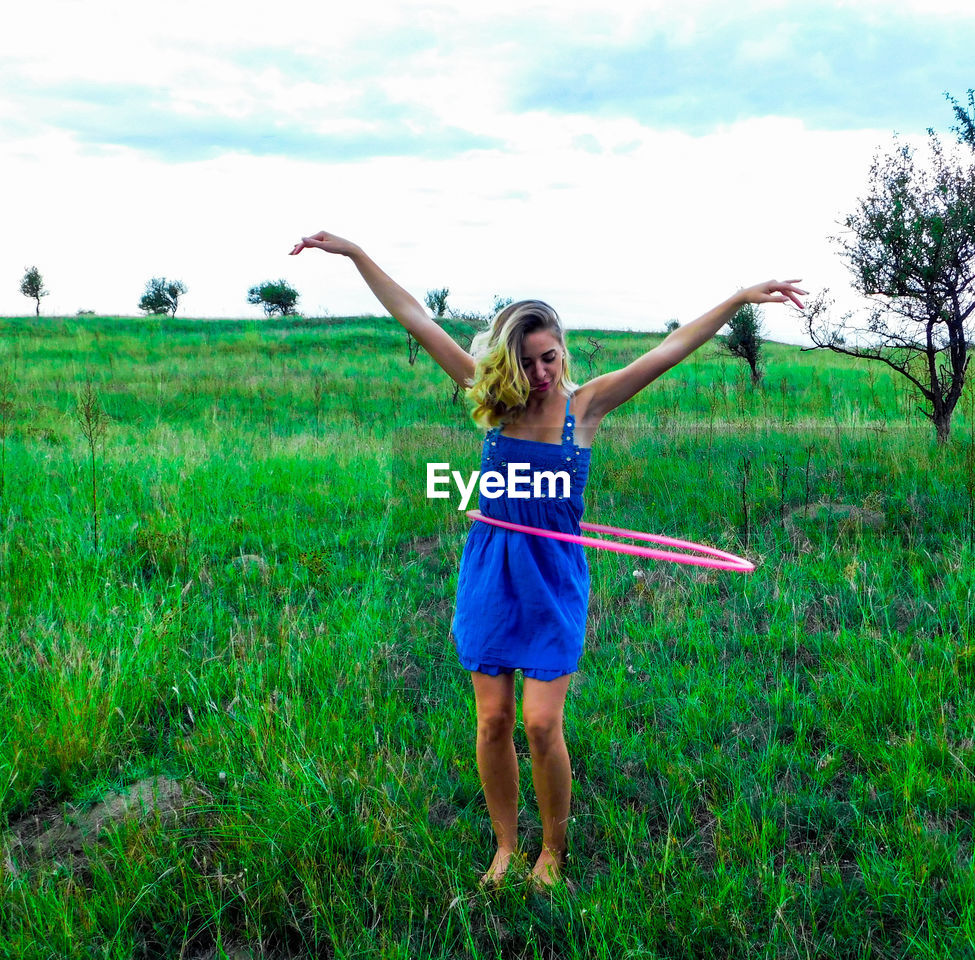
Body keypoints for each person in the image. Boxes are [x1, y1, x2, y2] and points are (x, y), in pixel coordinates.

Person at [289, 231, 806, 892]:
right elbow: (417, 319)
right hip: (493, 570)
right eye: (529, 362)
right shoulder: (494, 401)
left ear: (563, 350)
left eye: (550, 359)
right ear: (510, 361)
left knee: (540, 723)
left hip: (554, 574)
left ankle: (553, 853)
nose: (541, 374)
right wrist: (356, 253)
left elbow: (670, 350)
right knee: (493, 720)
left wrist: (738, 297)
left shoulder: (584, 408)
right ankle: (506, 846)